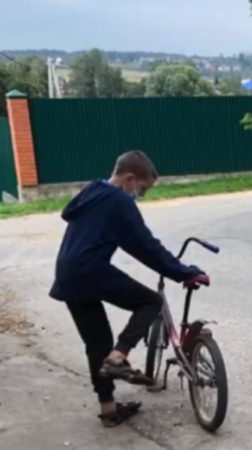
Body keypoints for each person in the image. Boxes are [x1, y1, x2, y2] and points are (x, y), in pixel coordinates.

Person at [49, 150, 210, 427]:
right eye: (143, 189)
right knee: (150, 302)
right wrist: (185, 272)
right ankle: (118, 356)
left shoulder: (93, 190)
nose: (142, 195)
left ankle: (109, 409)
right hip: (89, 270)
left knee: (96, 342)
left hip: (67, 273)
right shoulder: (118, 202)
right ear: (130, 178)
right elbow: (145, 247)